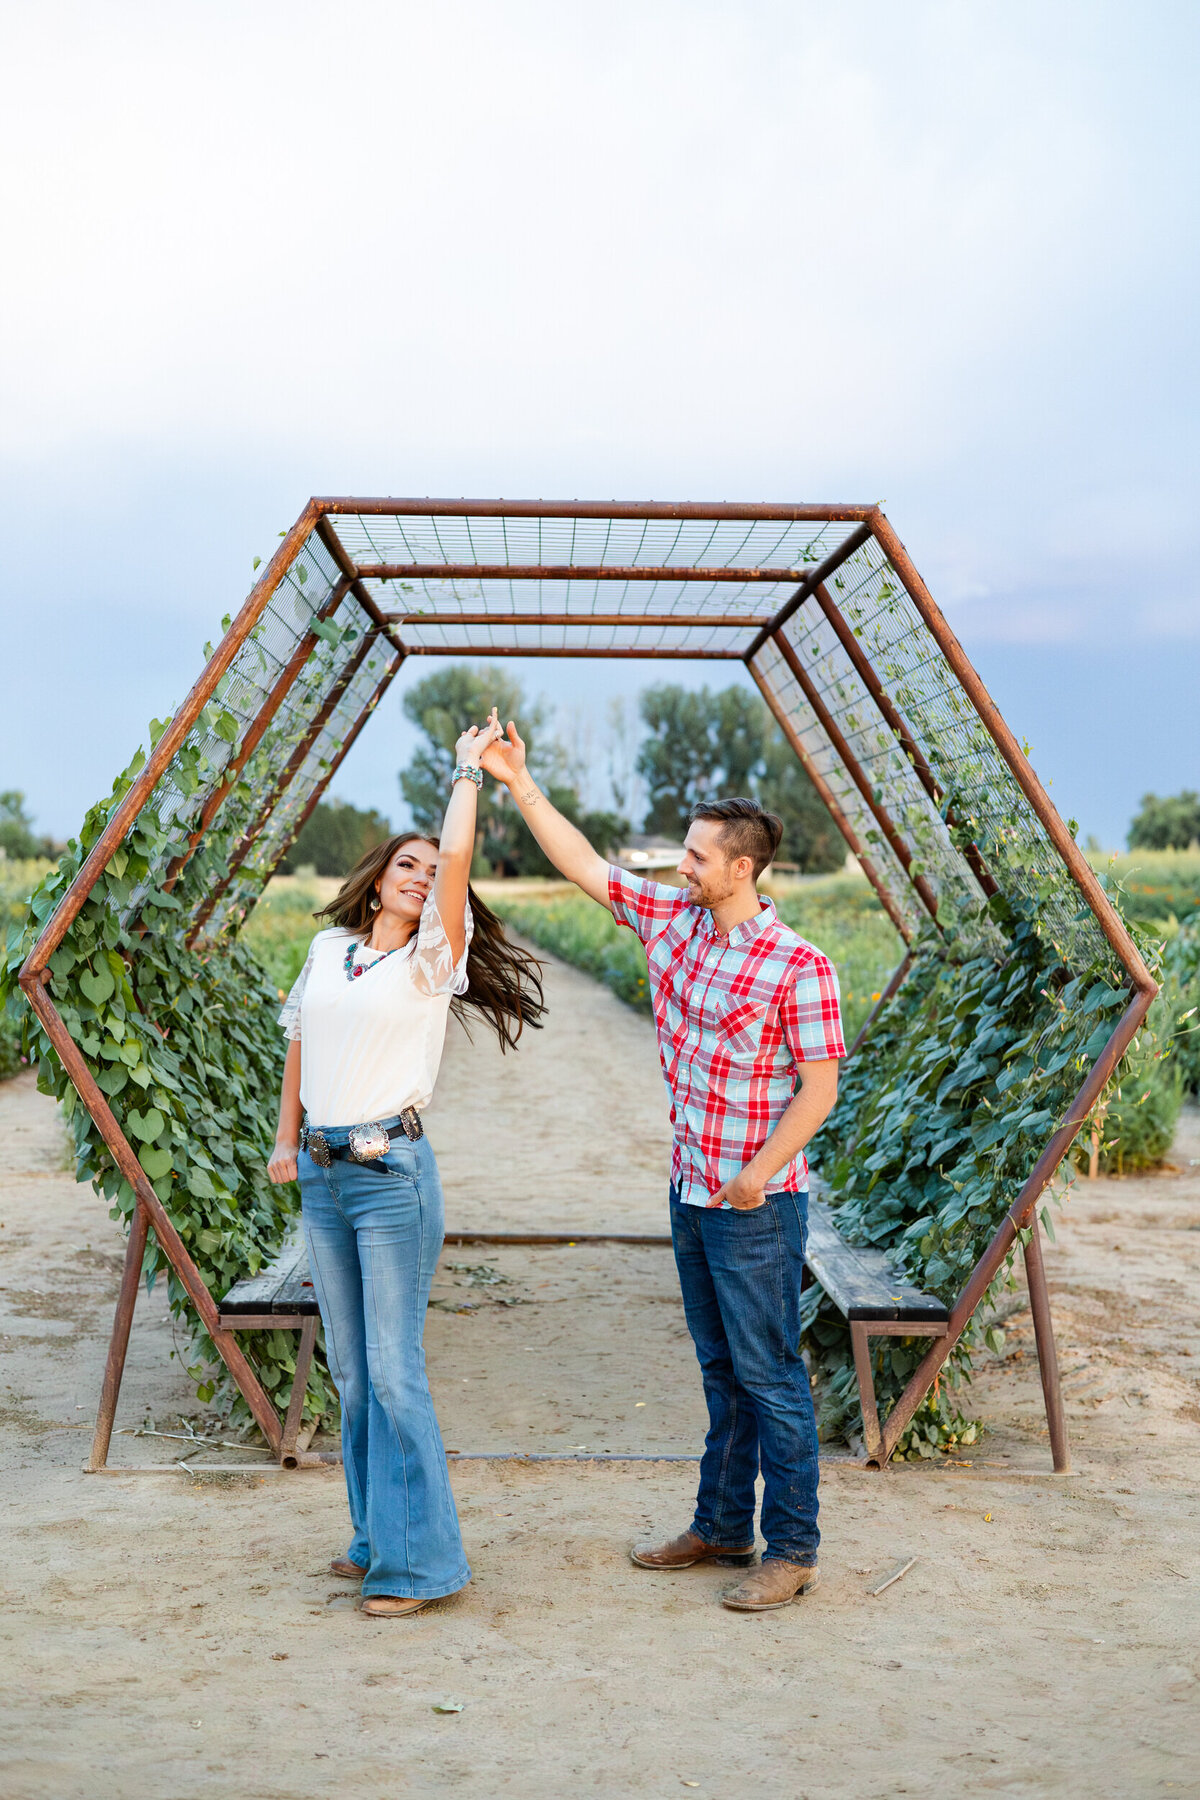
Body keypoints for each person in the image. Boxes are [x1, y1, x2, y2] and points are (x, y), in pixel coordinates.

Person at [480, 722, 845, 1613]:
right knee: (722, 1373)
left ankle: (792, 1548)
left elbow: (821, 1089)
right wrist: (517, 781)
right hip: (689, 1191)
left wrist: (759, 1170)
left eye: (695, 856)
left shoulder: (800, 965)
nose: (680, 866)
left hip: (755, 1204)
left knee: (771, 1377)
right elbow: (582, 865)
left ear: (742, 868)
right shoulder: (672, 924)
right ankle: (721, 1527)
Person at [268, 712, 545, 1618]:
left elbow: (459, 866)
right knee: (350, 1371)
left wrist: (467, 773)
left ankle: (421, 1568)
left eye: (434, 871)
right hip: (321, 1174)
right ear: (378, 877)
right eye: (408, 865)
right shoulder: (326, 951)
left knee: (394, 1369)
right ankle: (372, 1539)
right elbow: (301, 1041)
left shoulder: (435, 960)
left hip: (392, 1177)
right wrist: (284, 1139)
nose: (423, 876)